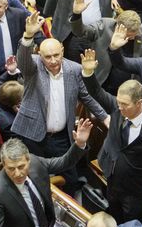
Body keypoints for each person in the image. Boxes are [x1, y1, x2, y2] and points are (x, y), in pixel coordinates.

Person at [10, 14, 107, 191]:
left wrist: (104, 117)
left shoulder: (74, 69)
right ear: (39, 54)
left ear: (62, 50)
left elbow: (86, 96)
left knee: (70, 177)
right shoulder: (33, 66)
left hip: (61, 136)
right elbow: (22, 60)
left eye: (56, 55)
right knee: (34, 176)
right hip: (32, 134)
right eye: (48, 57)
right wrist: (28, 37)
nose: (53, 61)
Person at [81, 51, 142, 223]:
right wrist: (88, 73)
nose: (120, 108)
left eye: (125, 104)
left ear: (139, 103)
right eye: (118, 103)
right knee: (113, 218)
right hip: (111, 178)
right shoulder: (117, 110)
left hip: (136, 190)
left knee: (131, 226)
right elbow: (97, 91)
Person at [70, 0, 142, 92]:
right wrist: (76, 14)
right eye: (127, 36)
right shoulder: (103, 26)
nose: (130, 38)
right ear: (117, 26)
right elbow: (80, 32)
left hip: (133, 88)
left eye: (134, 34)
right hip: (105, 84)